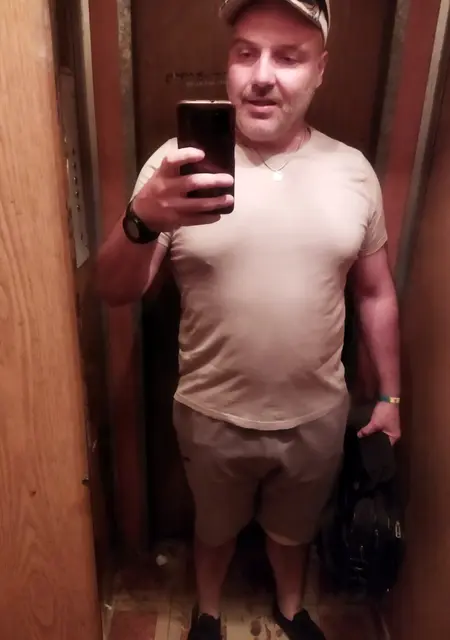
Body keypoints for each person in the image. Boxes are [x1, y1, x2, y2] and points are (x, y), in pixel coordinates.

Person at [97, 1, 401, 638]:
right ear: (229, 62)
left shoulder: (353, 172)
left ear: (320, 69)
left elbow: (375, 294)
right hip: (212, 413)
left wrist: (390, 398)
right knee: (214, 530)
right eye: (245, 53)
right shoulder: (175, 167)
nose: (261, 76)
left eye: (288, 57)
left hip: (317, 414)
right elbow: (114, 290)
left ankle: (291, 608)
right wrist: (140, 220)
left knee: (294, 532)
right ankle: (207, 611)